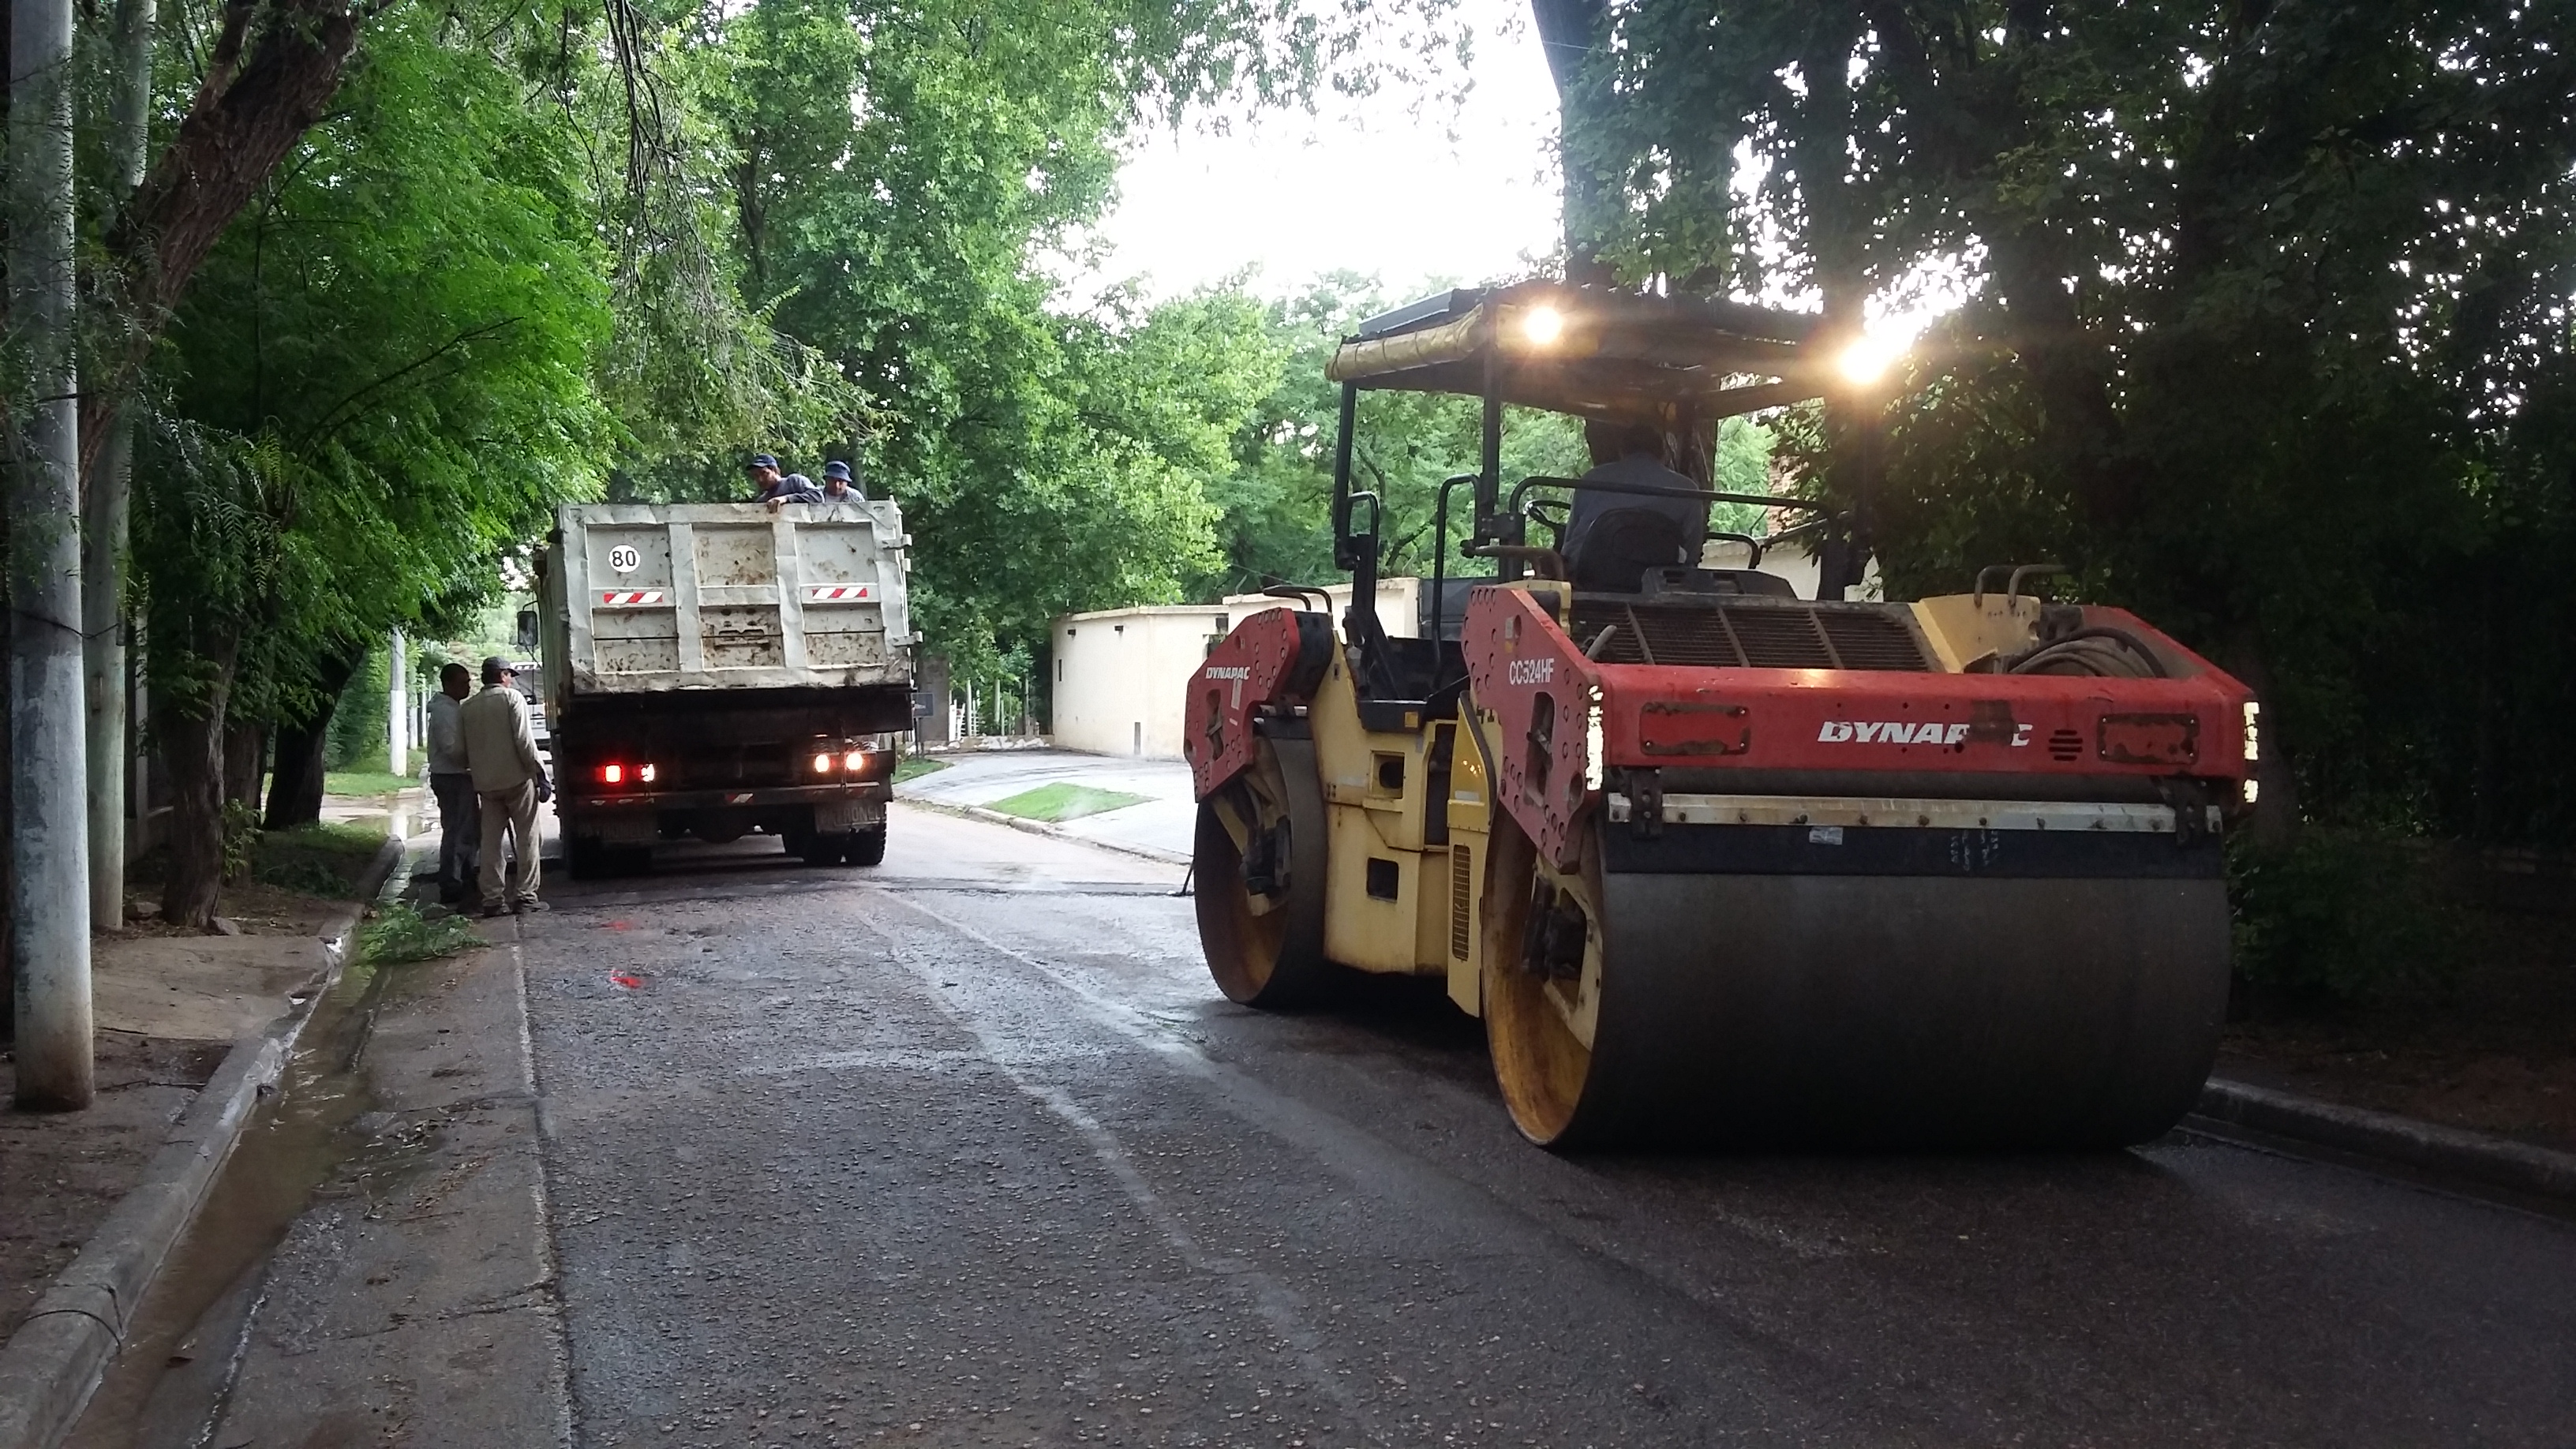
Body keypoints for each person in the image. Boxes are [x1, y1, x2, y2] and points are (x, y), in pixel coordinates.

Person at [462, 656, 552, 916]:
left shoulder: (468, 708)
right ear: (502, 676)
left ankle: (492, 899)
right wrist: (540, 773)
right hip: (517, 781)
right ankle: (525, 897)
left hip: (486, 785)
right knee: (527, 837)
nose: (512, 680)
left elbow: (459, 750)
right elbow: (524, 742)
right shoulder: (512, 699)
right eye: (510, 675)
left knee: (490, 842)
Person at [423, 662, 479, 905]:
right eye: (463, 682)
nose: (468, 686)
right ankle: (451, 882)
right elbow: (451, 748)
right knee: (458, 830)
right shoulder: (446, 712)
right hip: (453, 776)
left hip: (453, 775)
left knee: (463, 829)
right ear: (449, 684)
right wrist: (470, 764)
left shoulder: (450, 708)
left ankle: (463, 876)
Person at [747, 452, 822, 509]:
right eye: (756, 476)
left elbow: (817, 497)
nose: (760, 479)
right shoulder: (762, 500)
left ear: (774, 470)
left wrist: (786, 499)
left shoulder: (793, 481)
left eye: (764, 473)